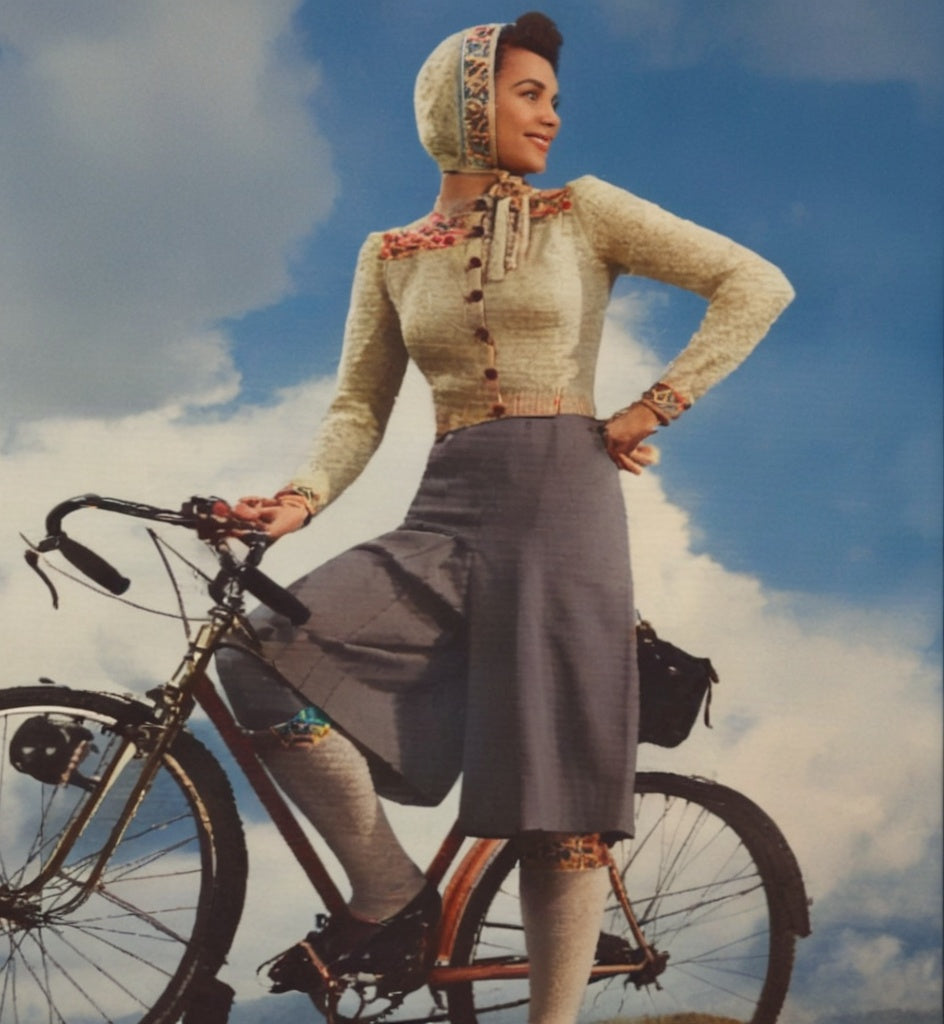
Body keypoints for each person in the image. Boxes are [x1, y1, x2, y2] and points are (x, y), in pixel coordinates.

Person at [217, 12, 793, 1023]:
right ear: (464, 103)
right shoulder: (391, 253)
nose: (551, 118)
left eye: (555, 99)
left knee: (555, 804)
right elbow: (358, 406)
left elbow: (753, 282)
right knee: (259, 654)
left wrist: (650, 408)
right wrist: (298, 502)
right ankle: (392, 893)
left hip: (564, 507)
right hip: (446, 508)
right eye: (529, 93)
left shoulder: (586, 210)